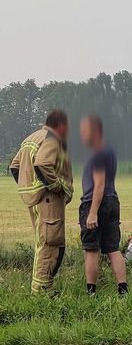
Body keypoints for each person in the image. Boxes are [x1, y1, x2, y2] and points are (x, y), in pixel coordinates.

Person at [9, 110, 74, 294]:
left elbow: (15, 167)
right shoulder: (52, 139)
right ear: (60, 125)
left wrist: (30, 187)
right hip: (49, 201)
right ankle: (43, 290)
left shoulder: (32, 138)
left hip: (35, 201)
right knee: (51, 245)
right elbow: (42, 163)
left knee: (42, 242)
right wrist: (55, 186)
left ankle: (40, 288)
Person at [78, 115, 127, 296]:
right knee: (113, 248)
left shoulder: (97, 153)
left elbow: (99, 183)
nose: (81, 134)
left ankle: (91, 293)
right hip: (112, 201)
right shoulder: (109, 151)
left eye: (84, 130)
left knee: (91, 249)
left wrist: (92, 213)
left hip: (95, 202)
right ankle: (123, 291)